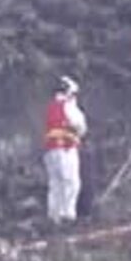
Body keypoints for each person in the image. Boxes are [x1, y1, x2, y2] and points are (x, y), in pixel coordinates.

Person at [43, 75, 88, 224]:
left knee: (55, 184)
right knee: (71, 182)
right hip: (66, 149)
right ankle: (67, 215)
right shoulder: (69, 106)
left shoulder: (51, 107)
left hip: (50, 151)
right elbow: (80, 126)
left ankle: (53, 215)